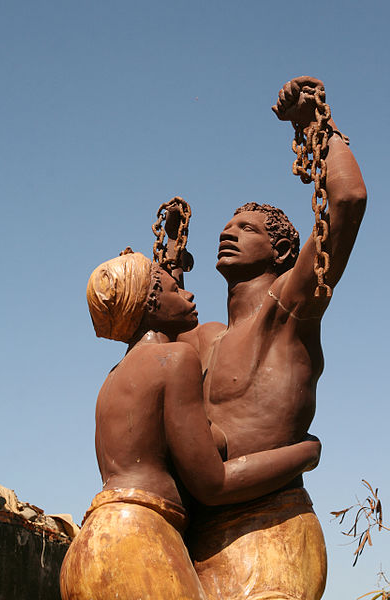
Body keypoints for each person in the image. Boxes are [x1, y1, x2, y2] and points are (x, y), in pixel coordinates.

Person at [179, 76, 367, 600]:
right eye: (227, 226)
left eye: (247, 228)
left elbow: (348, 200)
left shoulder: (288, 309)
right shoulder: (204, 340)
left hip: (272, 529)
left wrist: (316, 127)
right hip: (199, 537)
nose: (228, 231)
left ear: (281, 251)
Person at [60, 249, 321, 600]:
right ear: (151, 303)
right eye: (174, 290)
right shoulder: (175, 359)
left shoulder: (114, 378)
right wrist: (305, 453)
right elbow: (213, 484)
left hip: (92, 543)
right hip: (139, 542)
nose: (188, 294)